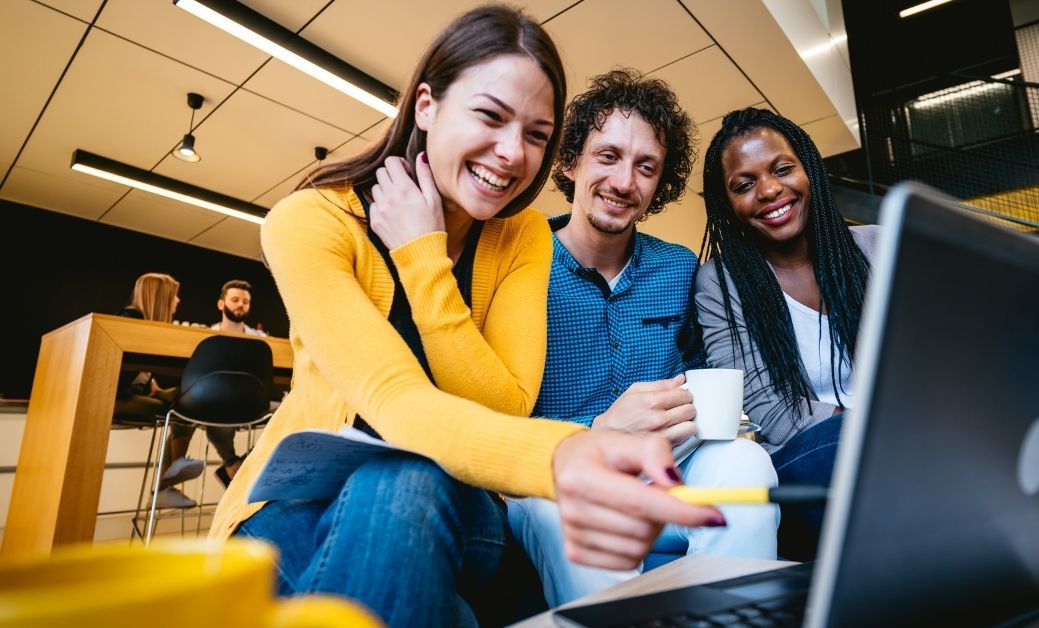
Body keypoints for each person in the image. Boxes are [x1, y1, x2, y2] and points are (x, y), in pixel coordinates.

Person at [209, 7, 724, 625]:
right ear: (426, 105)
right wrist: (572, 452)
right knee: (409, 520)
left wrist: (421, 258)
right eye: (490, 115)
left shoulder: (524, 236)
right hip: (296, 505)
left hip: (451, 499)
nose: (511, 154)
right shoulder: (309, 221)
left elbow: (504, 402)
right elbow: (394, 400)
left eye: (537, 134)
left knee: (406, 480)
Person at [507, 70, 779, 607]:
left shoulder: (678, 268)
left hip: (666, 472)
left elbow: (705, 375)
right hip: (557, 479)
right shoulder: (517, 262)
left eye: (645, 167)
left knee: (746, 467)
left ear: (660, 185)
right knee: (560, 509)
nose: (624, 182)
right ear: (570, 162)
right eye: (607, 156)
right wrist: (599, 431)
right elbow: (490, 415)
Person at [694, 107, 878, 555]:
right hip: (809, 454)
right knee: (849, 444)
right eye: (744, 184)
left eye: (782, 169)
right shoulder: (720, 283)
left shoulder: (876, 246)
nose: (770, 190)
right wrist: (870, 425)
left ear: (809, 170)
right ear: (728, 205)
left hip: (906, 436)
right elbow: (764, 405)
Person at [162, 279, 268, 490]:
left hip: (249, 404)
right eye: (235, 300)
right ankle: (230, 463)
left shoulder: (261, 341)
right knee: (191, 401)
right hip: (210, 404)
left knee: (288, 408)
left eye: (246, 301)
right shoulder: (204, 338)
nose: (241, 305)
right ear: (221, 304)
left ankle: (235, 463)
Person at [114, 272, 201, 509]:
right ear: (161, 297)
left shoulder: (140, 322)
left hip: (131, 394)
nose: (178, 301)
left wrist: (150, 384)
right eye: (174, 296)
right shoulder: (131, 319)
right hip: (113, 400)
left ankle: (169, 478)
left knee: (188, 396)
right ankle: (168, 479)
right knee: (186, 401)